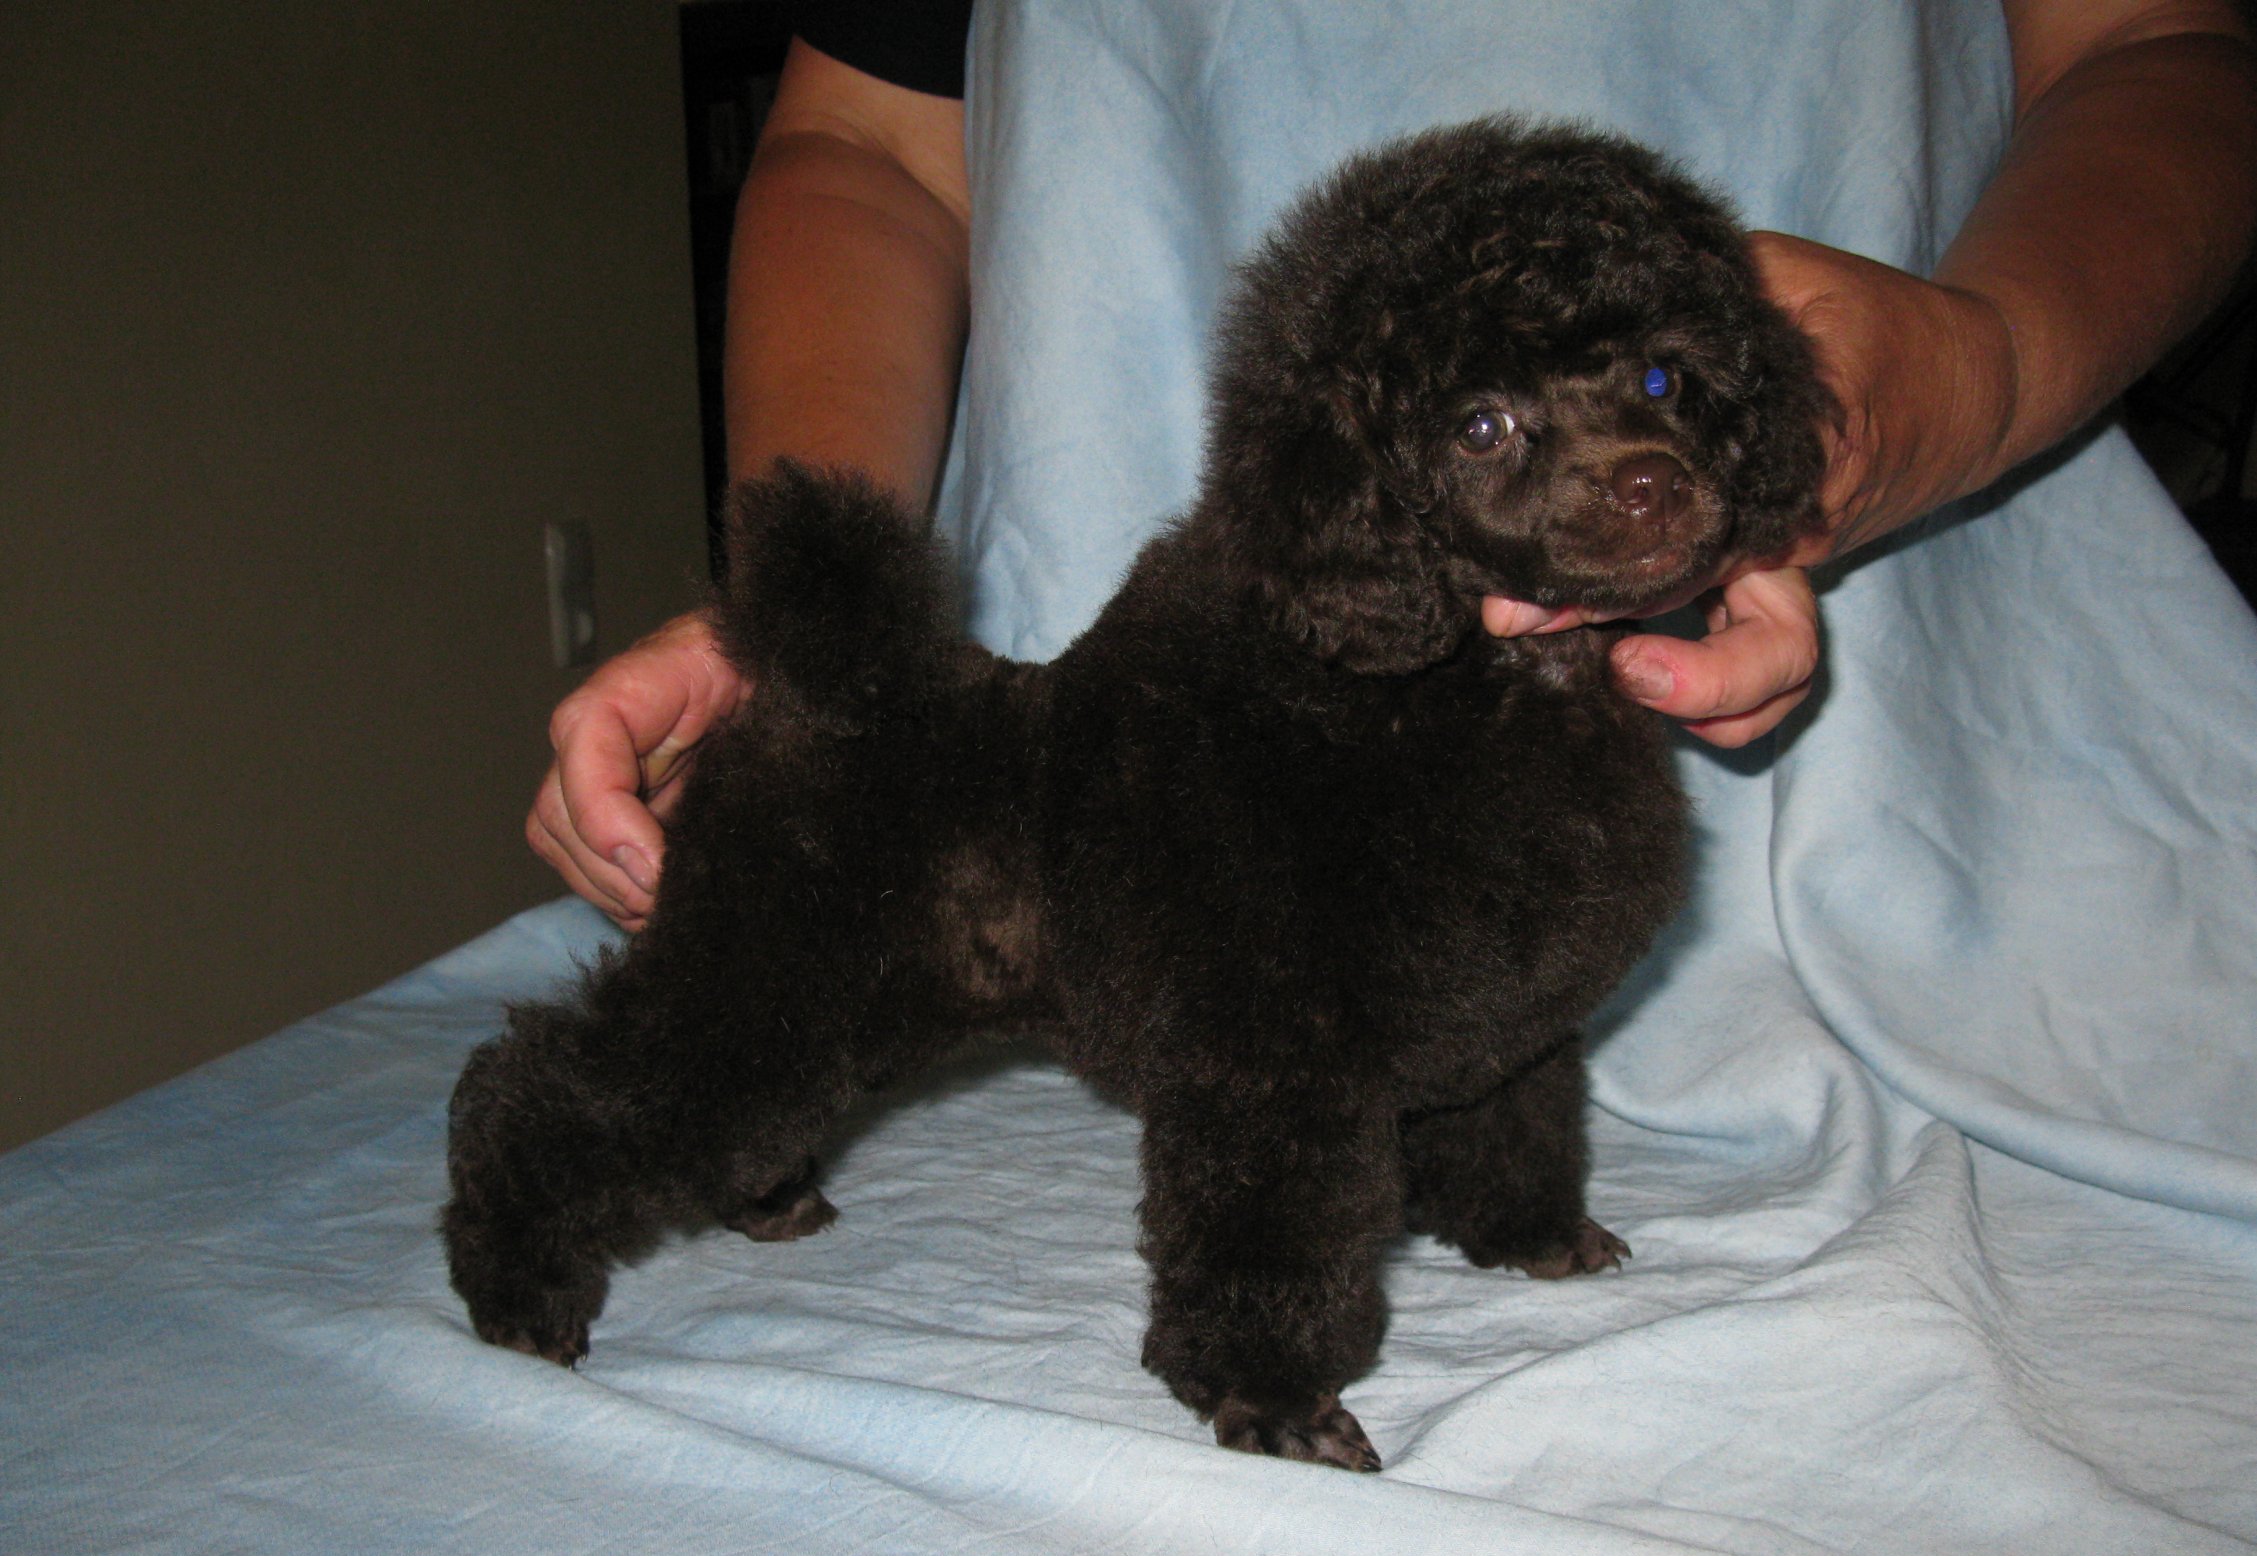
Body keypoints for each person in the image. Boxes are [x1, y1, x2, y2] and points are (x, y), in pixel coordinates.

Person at [528, 0, 2256, 931]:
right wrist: (807, 598)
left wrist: (1978, 367)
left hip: (1972, 808)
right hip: (1100, 802)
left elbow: (2155, 46)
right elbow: (868, 143)